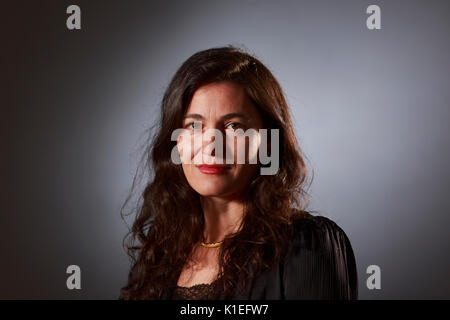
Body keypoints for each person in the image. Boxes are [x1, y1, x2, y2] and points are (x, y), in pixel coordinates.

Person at [119, 46, 358, 300]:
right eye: (194, 125)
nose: (211, 146)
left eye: (234, 126)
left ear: (268, 141)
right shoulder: (157, 259)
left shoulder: (308, 245)